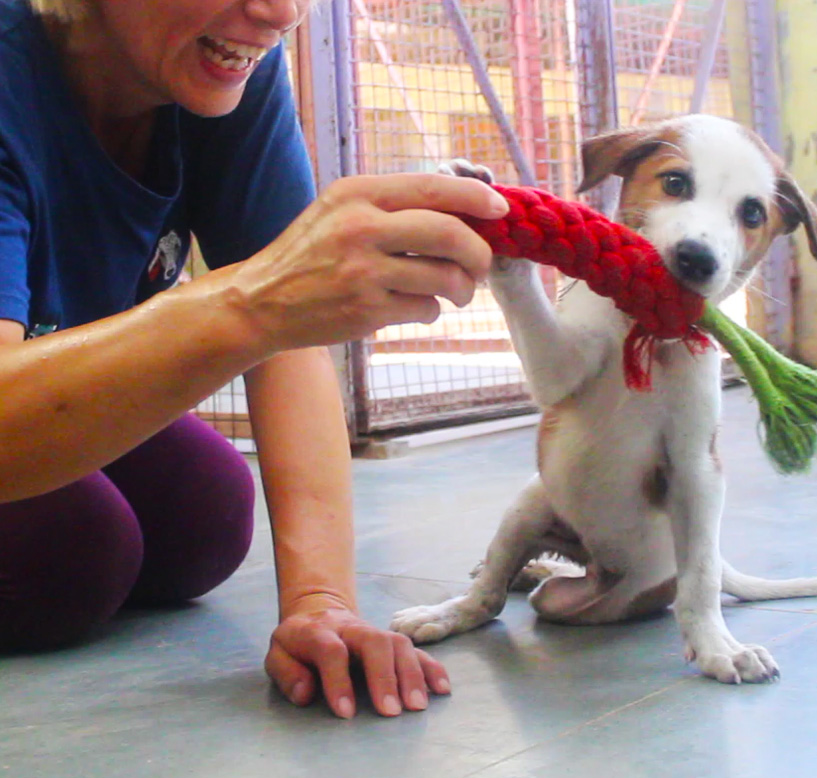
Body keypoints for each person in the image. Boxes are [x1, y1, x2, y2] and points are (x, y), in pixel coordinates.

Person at [0, 0, 509, 720]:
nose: (282, 13)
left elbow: (289, 335)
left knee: (204, 511)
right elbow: (269, 304)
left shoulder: (213, 68)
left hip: (41, 367)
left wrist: (322, 602)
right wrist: (249, 303)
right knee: (73, 555)